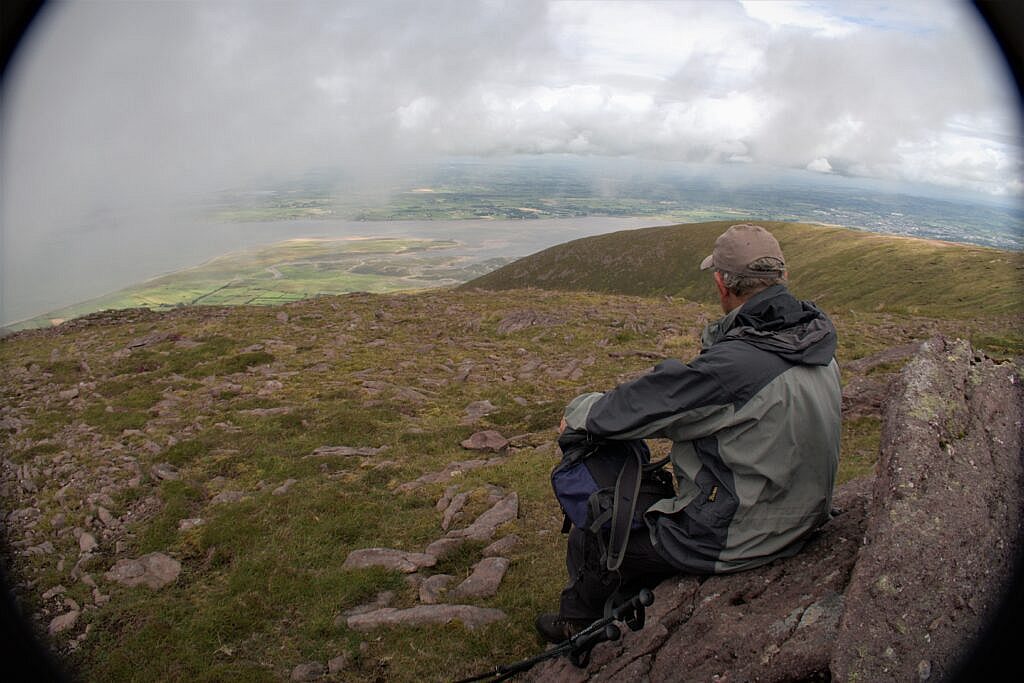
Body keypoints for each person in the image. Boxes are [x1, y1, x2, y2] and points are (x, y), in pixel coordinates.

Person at [536, 223, 842, 643]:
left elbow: (644, 406)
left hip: (745, 533)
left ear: (721, 283)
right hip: (802, 512)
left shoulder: (738, 365)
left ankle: (578, 628)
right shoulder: (812, 338)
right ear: (782, 279)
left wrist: (579, 414)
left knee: (601, 529)